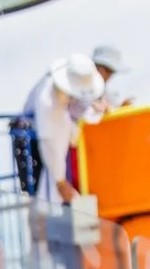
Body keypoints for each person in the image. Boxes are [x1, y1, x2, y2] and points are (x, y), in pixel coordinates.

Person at [15, 54, 104, 202]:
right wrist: (60, 182)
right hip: (32, 142)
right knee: (39, 197)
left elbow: (79, 110)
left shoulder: (64, 93)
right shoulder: (48, 101)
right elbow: (48, 140)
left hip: (52, 147)